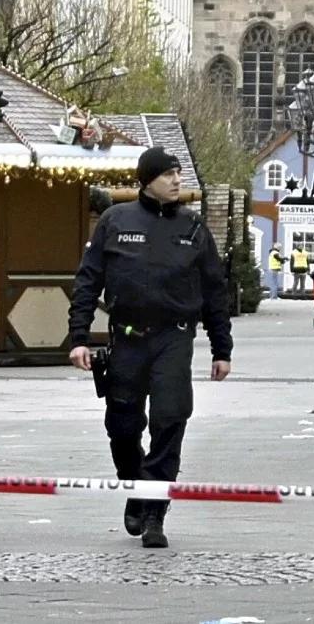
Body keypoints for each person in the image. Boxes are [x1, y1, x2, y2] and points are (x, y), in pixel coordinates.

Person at [67, 146, 233, 549]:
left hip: (173, 337)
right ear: (146, 181)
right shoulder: (115, 221)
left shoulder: (193, 227)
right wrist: (80, 336)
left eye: (178, 173)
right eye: (167, 175)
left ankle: (156, 509)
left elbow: (214, 289)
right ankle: (135, 484)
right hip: (126, 338)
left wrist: (221, 347)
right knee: (123, 426)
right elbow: (89, 281)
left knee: (169, 418)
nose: (176, 181)